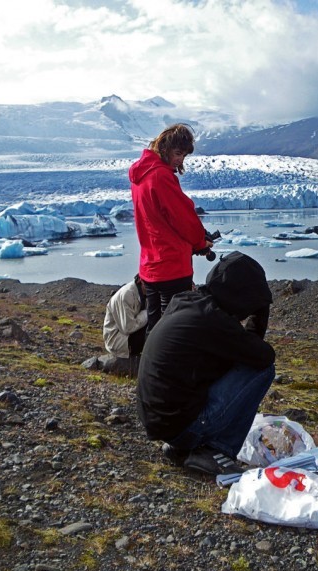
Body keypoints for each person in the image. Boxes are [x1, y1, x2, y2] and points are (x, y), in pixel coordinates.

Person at [136, 252, 275, 476]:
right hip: (181, 426)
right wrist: (260, 311)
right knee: (264, 370)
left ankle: (181, 447)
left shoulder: (187, 302)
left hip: (160, 422)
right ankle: (215, 450)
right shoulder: (214, 321)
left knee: (237, 361)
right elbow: (263, 356)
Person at [129, 123, 214, 334]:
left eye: (183, 156)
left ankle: (148, 366)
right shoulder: (161, 177)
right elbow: (183, 217)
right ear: (165, 148)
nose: (180, 160)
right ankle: (171, 367)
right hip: (172, 265)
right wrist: (200, 242)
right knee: (174, 328)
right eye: (178, 153)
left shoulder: (140, 175)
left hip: (150, 266)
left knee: (155, 325)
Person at [98, 275, 148, 375]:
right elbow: (128, 327)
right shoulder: (127, 294)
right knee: (152, 333)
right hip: (119, 339)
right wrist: (147, 313)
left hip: (127, 336)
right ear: (141, 281)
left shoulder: (141, 293)